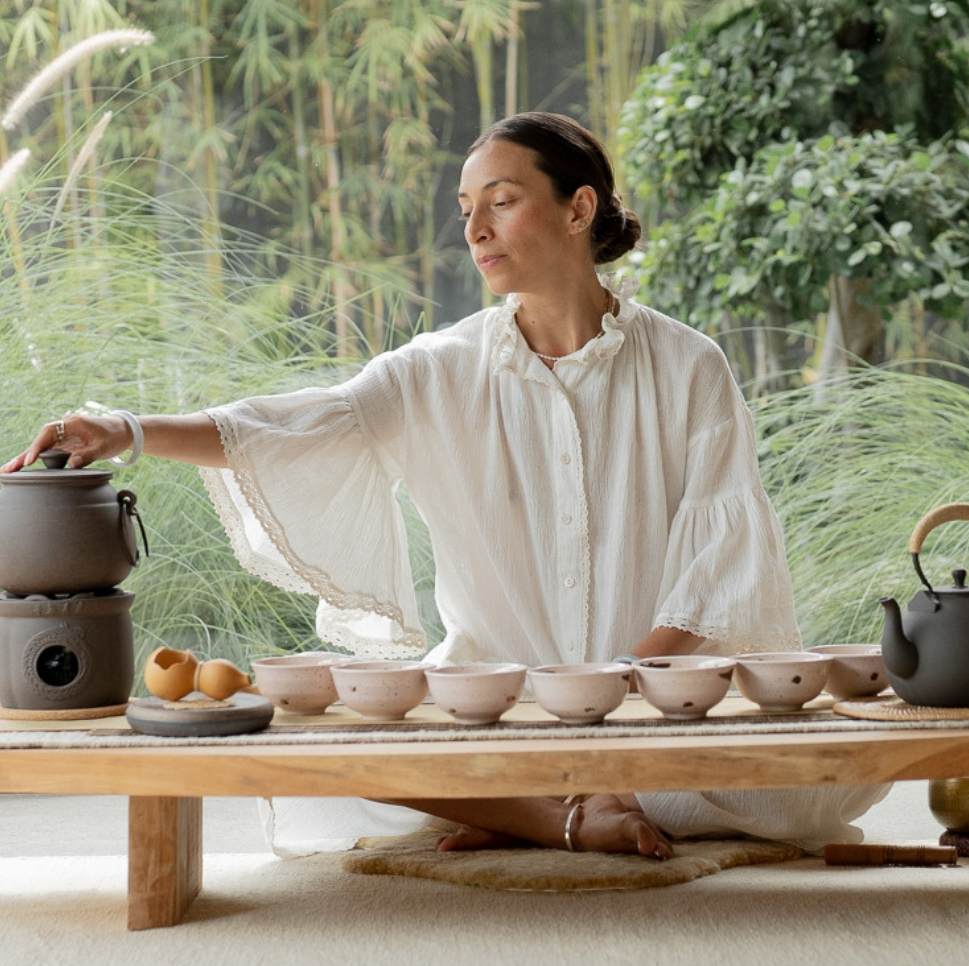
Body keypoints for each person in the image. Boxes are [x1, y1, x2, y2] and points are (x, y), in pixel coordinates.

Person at [1, 113, 890, 858]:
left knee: (798, 791)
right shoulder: (440, 368)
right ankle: (567, 817)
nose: (475, 231)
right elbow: (300, 425)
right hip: (490, 707)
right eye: (467, 210)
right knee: (341, 761)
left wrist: (613, 697)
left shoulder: (689, 366)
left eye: (501, 204)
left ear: (579, 208)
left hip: (651, 707)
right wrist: (134, 431)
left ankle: (542, 805)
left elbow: (716, 571)